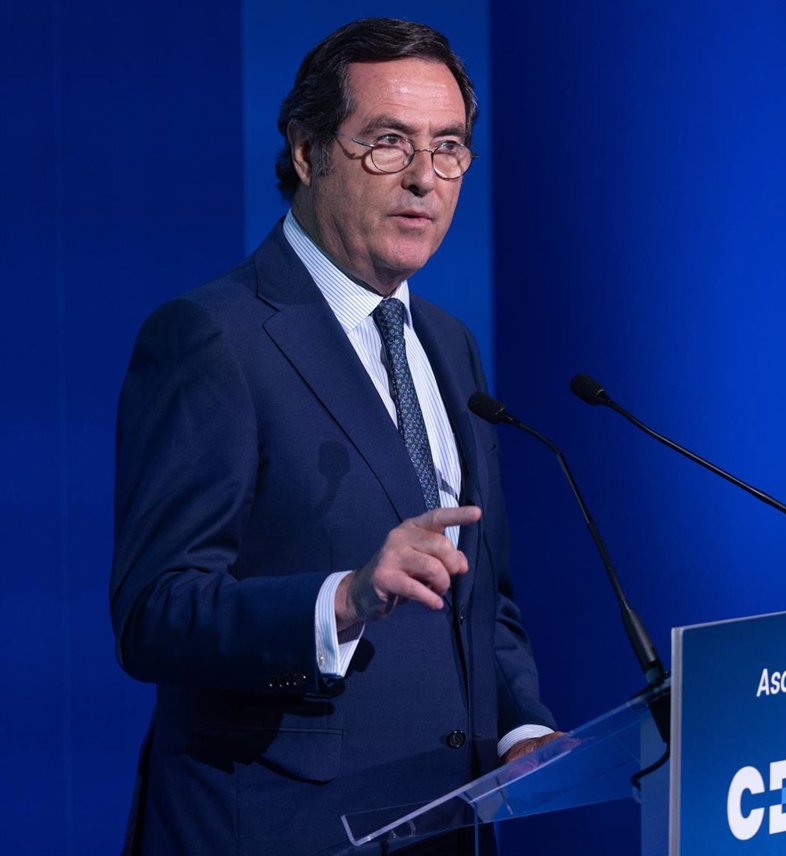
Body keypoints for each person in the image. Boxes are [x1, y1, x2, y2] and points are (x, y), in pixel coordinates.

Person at [110, 18, 559, 855]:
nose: (424, 178)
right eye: (388, 143)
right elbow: (155, 614)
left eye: (449, 148)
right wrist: (341, 601)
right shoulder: (212, 338)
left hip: (442, 826)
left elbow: (477, 597)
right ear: (308, 151)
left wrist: (519, 726)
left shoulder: (449, 344)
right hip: (278, 831)